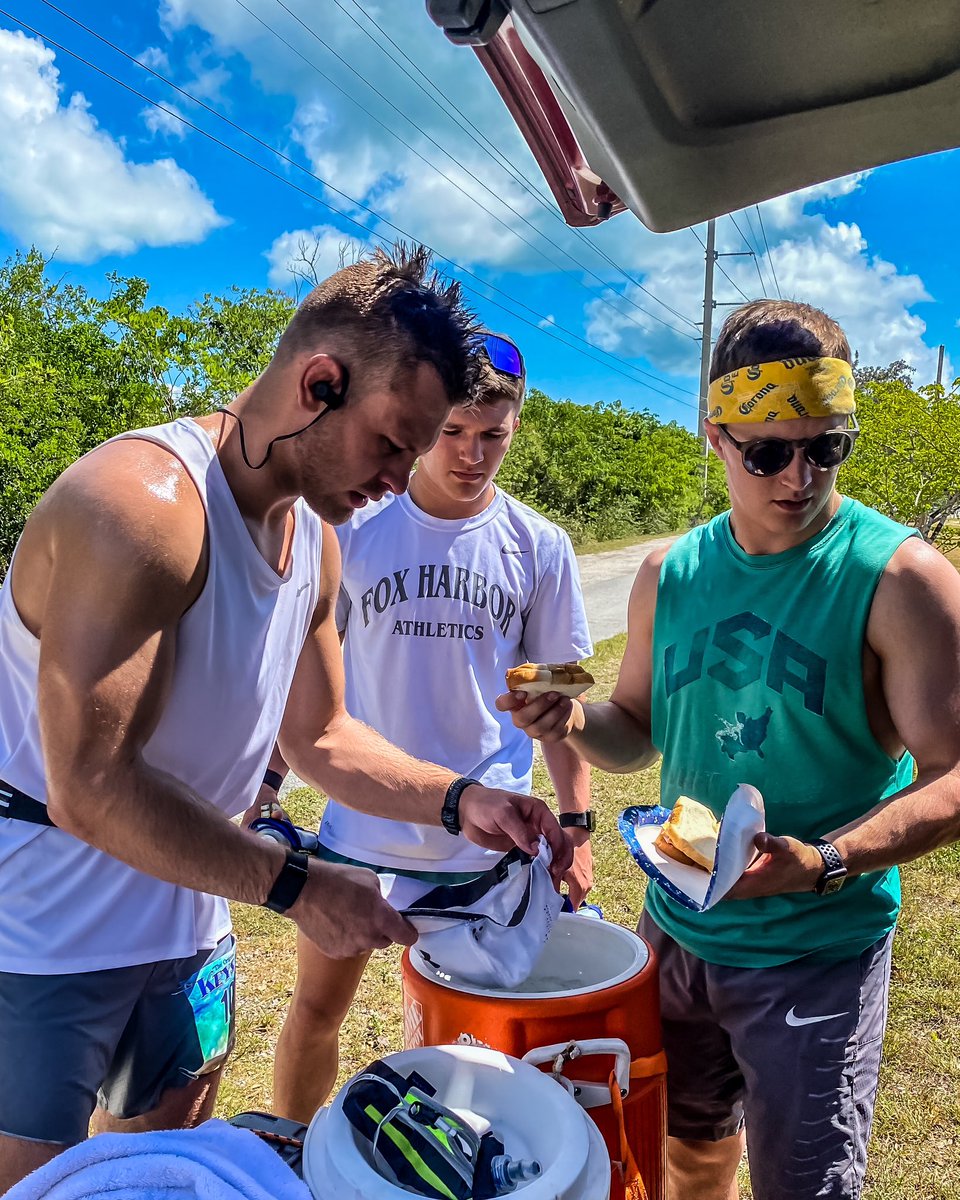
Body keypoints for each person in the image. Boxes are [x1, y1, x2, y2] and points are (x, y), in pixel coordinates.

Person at [0, 245, 572, 1193]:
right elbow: (90, 788)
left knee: (161, 1178)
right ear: (318, 383)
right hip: (45, 938)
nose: (402, 477)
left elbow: (324, 738)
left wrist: (459, 799)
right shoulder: (144, 506)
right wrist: (303, 887)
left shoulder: (316, 540)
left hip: (188, 927)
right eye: (394, 442)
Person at [498, 299, 960, 1200]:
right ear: (715, 435)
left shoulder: (901, 579)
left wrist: (824, 860)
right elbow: (632, 725)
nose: (800, 477)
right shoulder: (668, 574)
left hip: (816, 946)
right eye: (768, 452)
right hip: (678, 933)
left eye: (827, 447)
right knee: (685, 1151)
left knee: (804, 1184)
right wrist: (570, 722)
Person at [271, 331, 594, 1120]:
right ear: (424, 426)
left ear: (517, 426)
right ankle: (291, 1151)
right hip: (364, 828)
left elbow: (556, 703)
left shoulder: (540, 546)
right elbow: (300, 686)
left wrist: (578, 828)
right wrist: (268, 786)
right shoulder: (350, 530)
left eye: (493, 435)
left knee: (490, 1037)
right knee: (317, 1012)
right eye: (452, 432)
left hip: (490, 838)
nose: (471, 454)